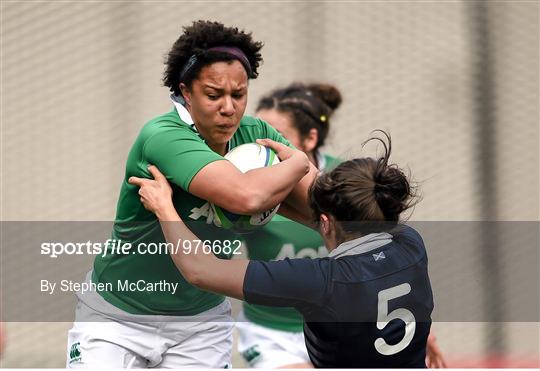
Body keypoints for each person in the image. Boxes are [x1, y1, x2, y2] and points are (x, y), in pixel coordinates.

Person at [66, 20, 317, 368]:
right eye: (214, 95)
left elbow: (322, 204)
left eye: (239, 94)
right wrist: (300, 161)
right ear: (186, 92)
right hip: (118, 317)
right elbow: (245, 197)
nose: (228, 107)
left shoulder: (255, 133)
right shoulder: (163, 136)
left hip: (201, 322)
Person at [129, 131, 436, 368]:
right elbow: (332, 216)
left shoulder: (321, 281)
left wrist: (165, 208)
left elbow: (201, 270)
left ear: (326, 222)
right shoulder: (410, 245)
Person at [238, 82, 342, 368]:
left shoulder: (346, 184)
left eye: (275, 135)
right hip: (271, 334)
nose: (262, 143)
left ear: (310, 139)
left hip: (339, 331)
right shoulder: (246, 185)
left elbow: (383, 254)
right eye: (255, 133)